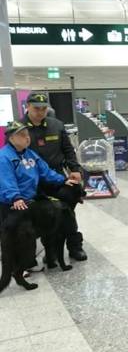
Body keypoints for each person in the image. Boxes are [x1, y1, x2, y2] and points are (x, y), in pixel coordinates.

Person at [0, 121, 76, 269]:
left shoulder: (30, 154)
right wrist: (15, 197)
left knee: (27, 234)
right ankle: (16, 267)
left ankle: (28, 262)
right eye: (21, 135)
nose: (27, 138)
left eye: (27, 134)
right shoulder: (4, 157)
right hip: (12, 202)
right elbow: (5, 179)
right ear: (11, 138)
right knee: (14, 236)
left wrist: (63, 180)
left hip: (29, 200)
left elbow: (45, 172)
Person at [24, 93, 88, 261]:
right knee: (45, 216)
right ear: (27, 107)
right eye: (36, 108)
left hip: (58, 178)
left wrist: (75, 169)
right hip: (33, 182)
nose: (40, 112)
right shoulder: (20, 129)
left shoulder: (56, 125)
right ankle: (51, 248)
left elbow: (68, 150)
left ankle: (74, 246)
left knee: (66, 211)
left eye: (44, 108)